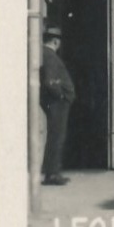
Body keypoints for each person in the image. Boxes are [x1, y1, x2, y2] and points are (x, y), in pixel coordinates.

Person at [40, 25, 76, 185]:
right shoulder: (50, 56)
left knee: (55, 137)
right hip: (56, 104)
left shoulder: (45, 54)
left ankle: (52, 172)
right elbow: (50, 81)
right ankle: (52, 174)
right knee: (57, 137)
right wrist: (61, 95)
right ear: (55, 41)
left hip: (55, 103)